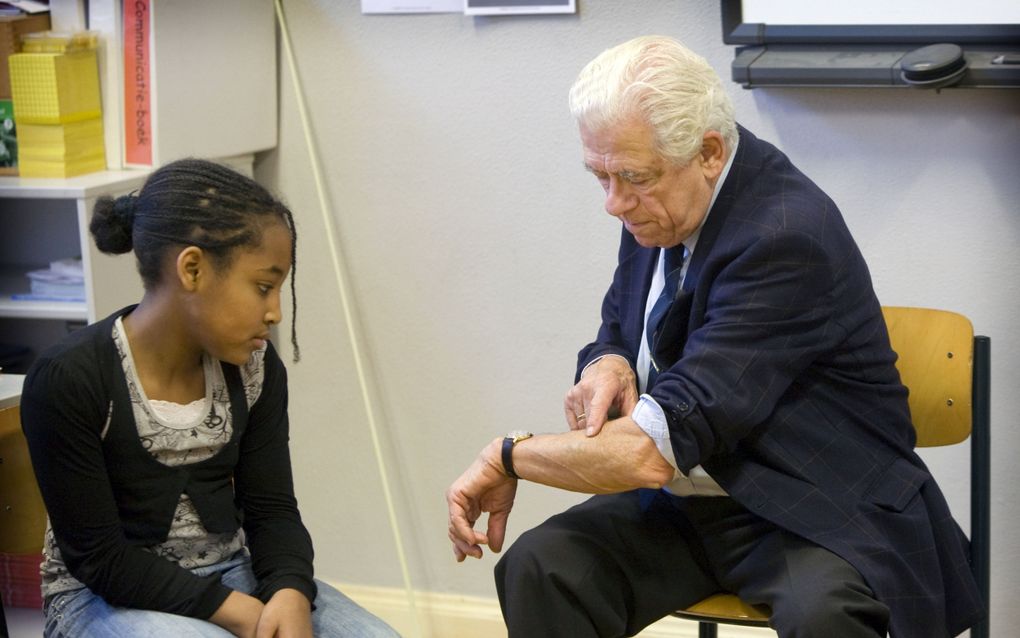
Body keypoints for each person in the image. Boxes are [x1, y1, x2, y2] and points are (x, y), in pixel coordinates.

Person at [446, 36, 984, 638]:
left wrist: (509, 455)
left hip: (815, 503)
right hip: (694, 496)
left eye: (629, 178)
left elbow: (653, 449)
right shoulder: (658, 197)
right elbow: (621, 326)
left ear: (707, 151)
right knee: (543, 567)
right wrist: (609, 363)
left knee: (824, 617)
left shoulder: (785, 236)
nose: (614, 203)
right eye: (600, 176)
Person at [21, 159, 399, 638]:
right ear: (193, 268)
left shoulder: (256, 370)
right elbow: (100, 560)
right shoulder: (69, 378)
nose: (275, 313)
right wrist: (244, 616)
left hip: (232, 577)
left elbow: (272, 510)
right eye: (263, 287)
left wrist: (288, 590)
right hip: (97, 600)